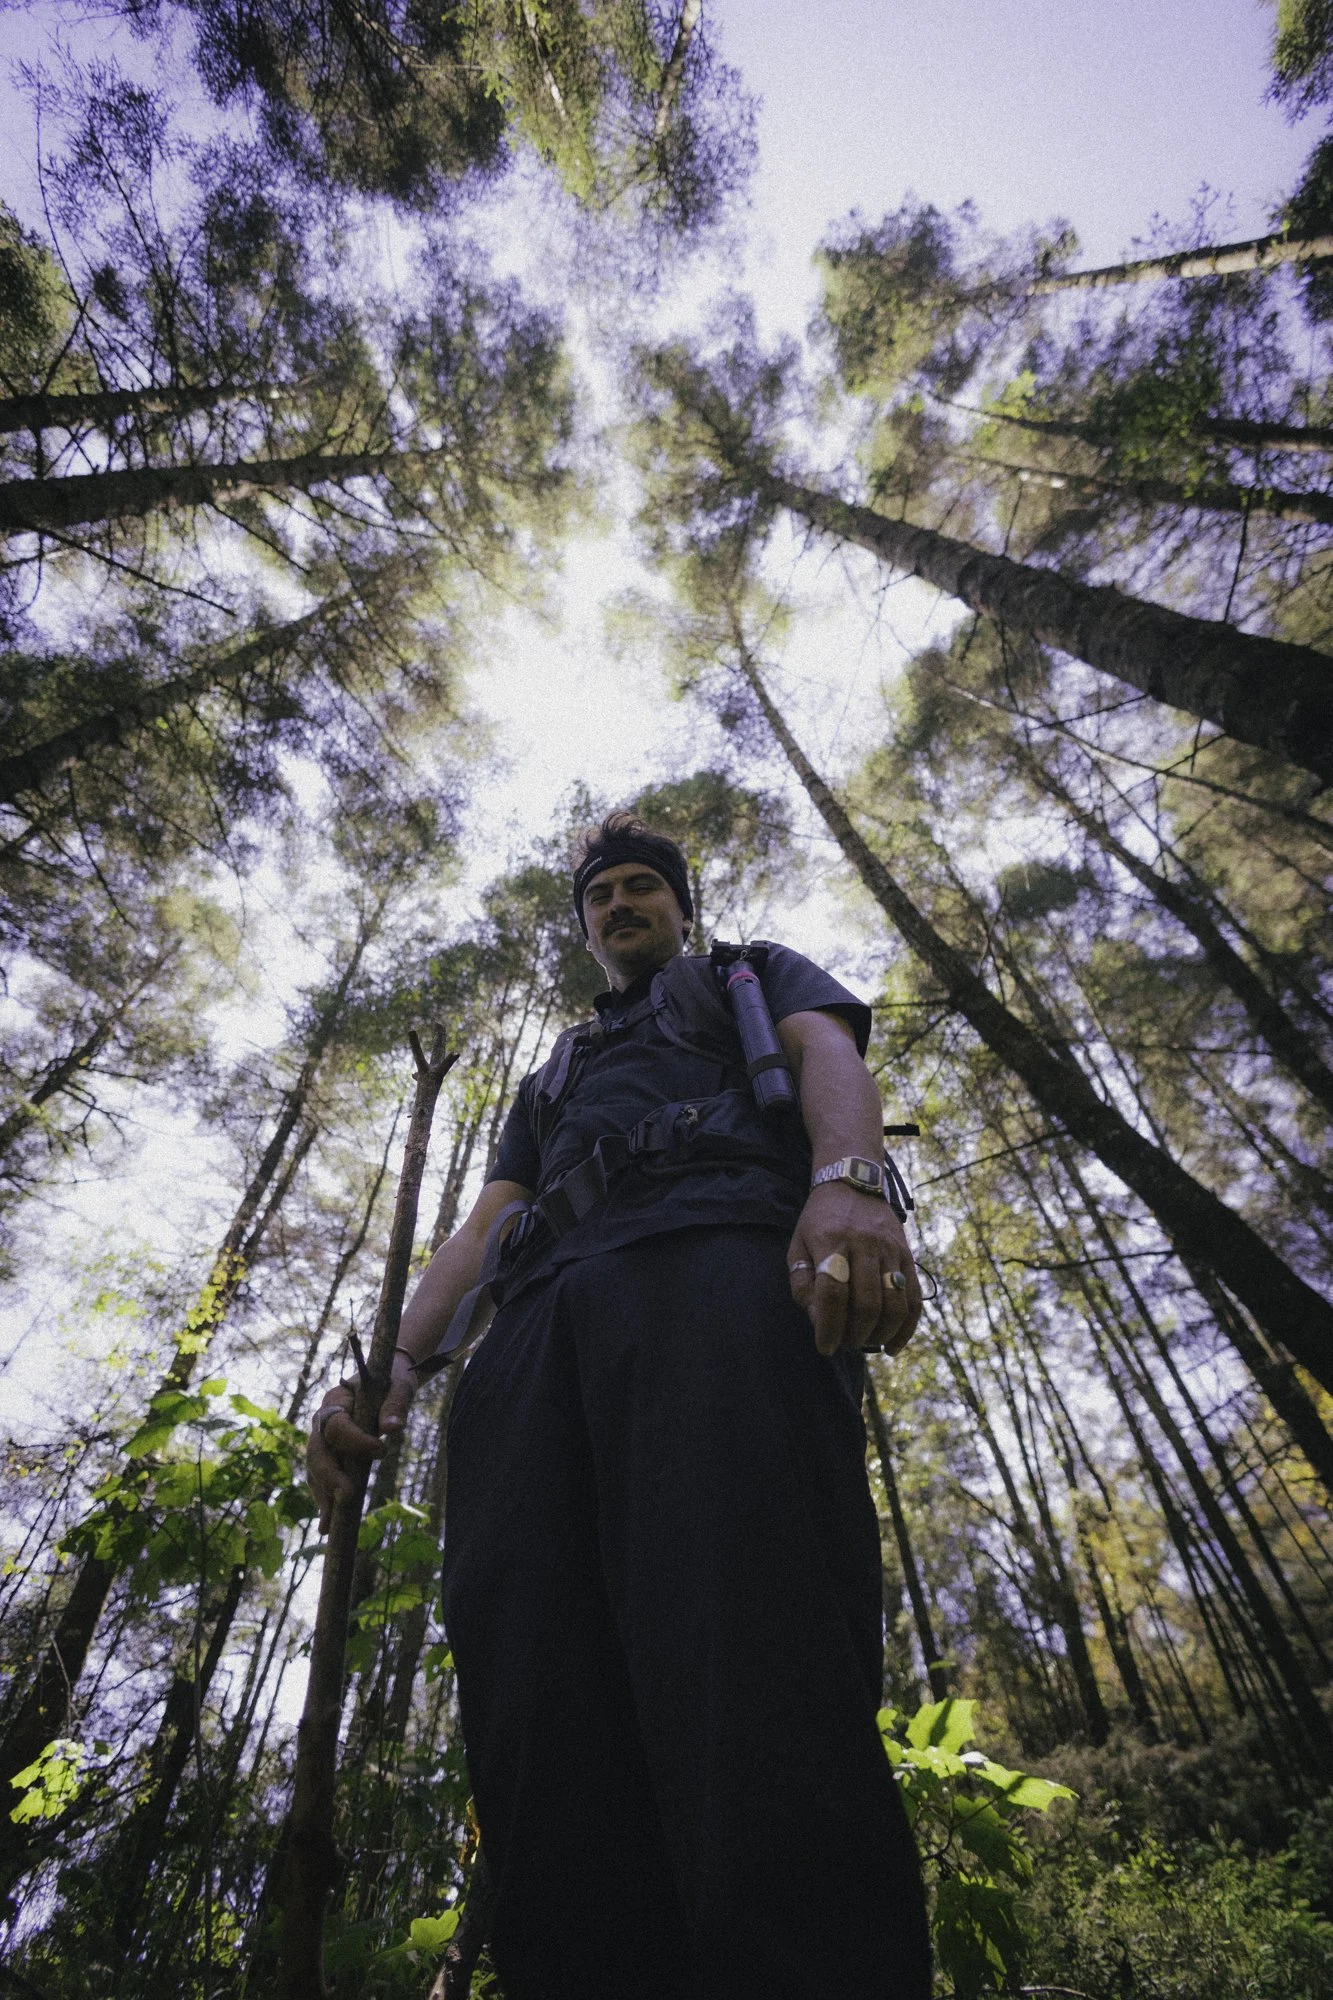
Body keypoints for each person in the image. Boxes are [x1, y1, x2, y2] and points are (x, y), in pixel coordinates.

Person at [308, 811, 932, 2000]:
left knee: (751, 1653)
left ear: (679, 907)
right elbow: (490, 1219)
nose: (620, 905)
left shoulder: (748, 977)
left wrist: (849, 1180)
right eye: (601, 897)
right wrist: (394, 1368)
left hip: (711, 1273)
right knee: (536, 1709)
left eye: (642, 887)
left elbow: (825, 1054)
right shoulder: (554, 1068)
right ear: (587, 926)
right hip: (534, 1339)